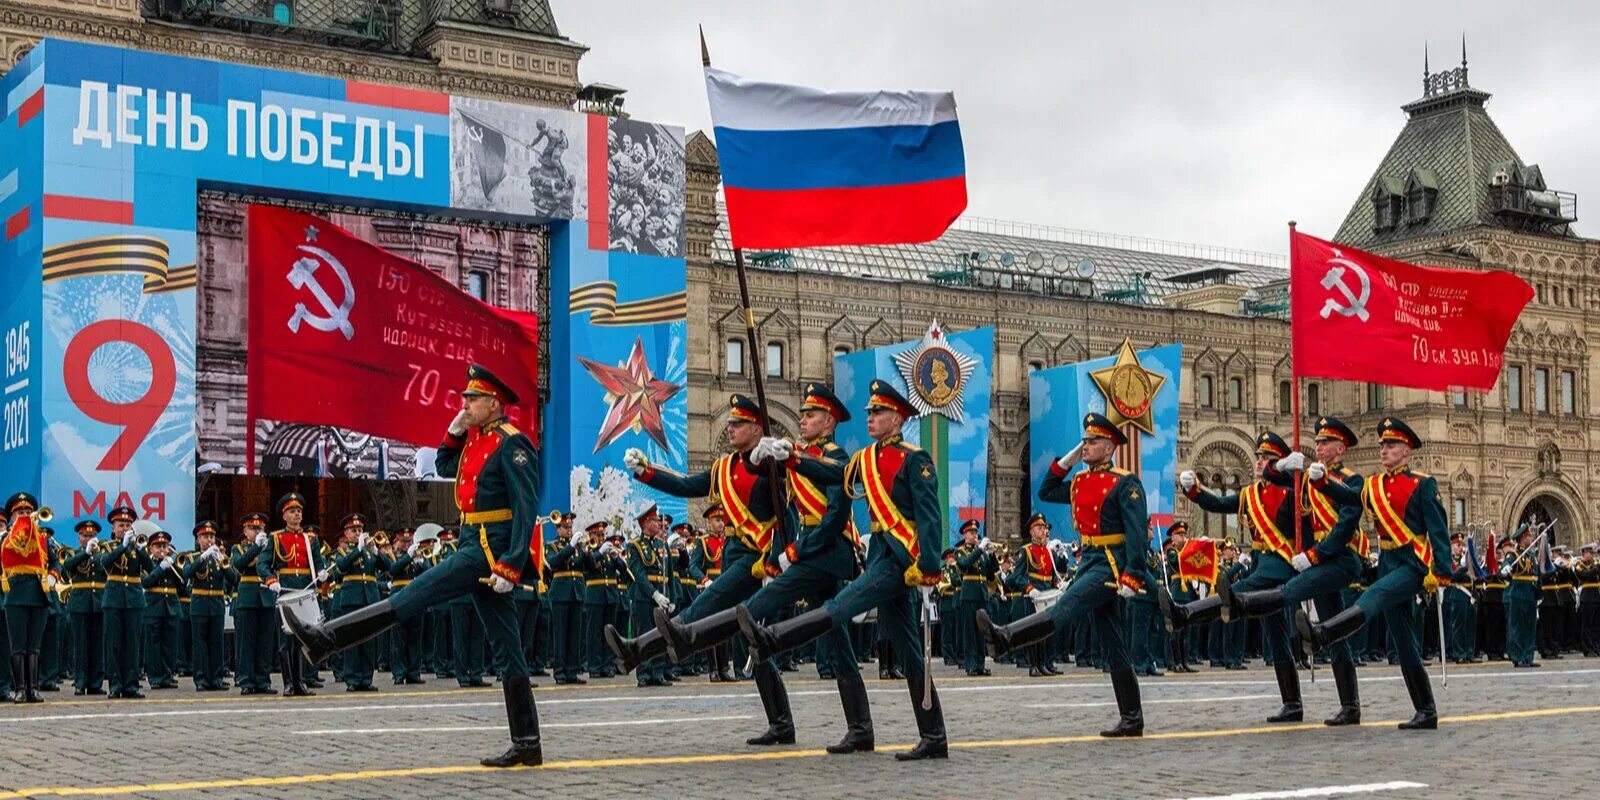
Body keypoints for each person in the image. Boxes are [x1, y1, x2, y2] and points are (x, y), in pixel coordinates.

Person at [284, 364, 543, 767]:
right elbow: (443, 467)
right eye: (464, 398)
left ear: (495, 403)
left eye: (472, 399)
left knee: (410, 596)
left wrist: (511, 564)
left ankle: (325, 639)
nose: (465, 403)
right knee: (508, 649)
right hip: (473, 544)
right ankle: (528, 743)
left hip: (485, 554)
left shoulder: (513, 444)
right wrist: (456, 431)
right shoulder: (477, 443)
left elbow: (527, 508)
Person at [651, 382, 875, 753]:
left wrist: (794, 552)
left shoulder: (837, 456)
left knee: (756, 608)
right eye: (801, 414)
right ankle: (852, 727)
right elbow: (764, 481)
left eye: (811, 415)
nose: (803, 420)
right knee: (838, 642)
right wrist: (768, 458)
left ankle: (691, 637)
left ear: (830, 422)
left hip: (828, 554)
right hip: (810, 554)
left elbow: (835, 515)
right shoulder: (797, 454)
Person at [738, 380, 948, 760]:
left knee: (840, 607)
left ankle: (773, 639)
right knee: (910, 652)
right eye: (869, 412)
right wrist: (791, 459)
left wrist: (930, 567)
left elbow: (931, 520)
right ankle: (929, 736)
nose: (871, 418)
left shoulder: (915, 459)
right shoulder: (864, 459)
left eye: (878, 412)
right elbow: (834, 475)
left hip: (901, 560)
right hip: (881, 554)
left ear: (897, 418)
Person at [605, 394, 790, 742]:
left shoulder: (769, 465)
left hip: (756, 561)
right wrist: (646, 471)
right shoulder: (722, 468)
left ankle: (638, 649)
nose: (730, 429)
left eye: (738, 424)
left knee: (701, 610)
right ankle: (782, 724)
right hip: (734, 553)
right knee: (753, 643)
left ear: (756, 428)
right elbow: (686, 486)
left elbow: (786, 513)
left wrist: (779, 558)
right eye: (730, 423)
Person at [976, 412, 1152, 738]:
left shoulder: (1124, 482)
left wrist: (1133, 574)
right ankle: (1132, 718)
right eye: (1084, 441)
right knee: (1113, 642)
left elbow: (1137, 532)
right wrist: (1068, 460)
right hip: (1089, 560)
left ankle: (1006, 638)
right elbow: (1046, 490)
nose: (1086, 446)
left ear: (1111, 445)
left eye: (1093, 441)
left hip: (1110, 565)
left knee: (1064, 608)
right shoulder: (1082, 481)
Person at [1295, 417, 1452, 730]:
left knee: (1374, 595)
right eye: (1381, 445)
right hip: (1389, 561)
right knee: (1404, 640)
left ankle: (1323, 633)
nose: (1383, 450)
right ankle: (1426, 710)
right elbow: (1351, 498)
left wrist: (1442, 571)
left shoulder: (1423, 484)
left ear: (1406, 451)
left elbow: (1439, 531)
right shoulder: (1374, 485)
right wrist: (1322, 483)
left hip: (1413, 563)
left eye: (1390, 445)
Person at [1162, 431, 1305, 722]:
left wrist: (1293, 473)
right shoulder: (1250, 494)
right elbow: (1217, 505)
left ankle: (1184, 614)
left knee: (1234, 593)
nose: (1258, 462)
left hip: (1280, 567)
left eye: (1266, 458)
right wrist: (1194, 491)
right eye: (1258, 457)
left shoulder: (1292, 491)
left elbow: (1308, 513)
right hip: (1262, 566)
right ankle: (1293, 704)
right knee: (1276, 638)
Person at [261, 492, 326, 697]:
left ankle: (301, 682)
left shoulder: (310, 539)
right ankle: (288, 682)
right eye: (292, 511)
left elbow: (317, 562)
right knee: (285, 639)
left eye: (299, 511)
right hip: (285, 590)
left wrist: (323, 572)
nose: (297, 514)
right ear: (284, 515)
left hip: (305, 590)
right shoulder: (276, 538)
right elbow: (263, 564)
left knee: (303, 638)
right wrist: (271, 580)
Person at [2, 493, 60, 703]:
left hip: (38, 594)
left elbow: (55, 562)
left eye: (28, 512)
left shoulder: (42, 539)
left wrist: (53, 576)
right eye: (20, 512)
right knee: (18, 645)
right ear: (12, 516)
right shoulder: (5, 539)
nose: (25, 515)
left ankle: (33, 689)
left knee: (34, 645)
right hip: (15, 595)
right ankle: (20, 688)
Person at [327, 513, 390, 692]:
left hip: (370, 598)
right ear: (346, 533)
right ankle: (352, 678)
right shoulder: (342, 551)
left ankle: (366, 678)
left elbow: (388, 567)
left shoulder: (370, 552)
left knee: (369, 640)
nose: (357, 533)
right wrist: (358, 549)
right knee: (352, 640)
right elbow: (339, 569)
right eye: (353, 530)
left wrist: (377, 551)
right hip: (351, 599)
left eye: (360, 529)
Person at [183, 521, 235, 691]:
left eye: (212, 536)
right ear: (198, 540)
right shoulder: (192, 557)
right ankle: (201, 679)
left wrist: (223, 562)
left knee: (216, 642)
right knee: (200, 643)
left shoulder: (220, 558)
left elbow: (234, 579)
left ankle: (217, 678)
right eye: (205, 537)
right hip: (199, 603)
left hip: (217, 604)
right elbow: (186, 574)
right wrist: (203, 557)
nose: (209, 540)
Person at [231, 512, 276, 695]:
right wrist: (256, 547)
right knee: (246, 643)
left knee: (265, 642)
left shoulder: (270, 547)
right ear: (245, 531)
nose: (256, 531)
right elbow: (238, 565)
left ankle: (262, 680)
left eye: (260, 528)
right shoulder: (238, 548)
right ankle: (246, 680)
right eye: (253, 528)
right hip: (247, 597)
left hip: (266, 596)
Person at [1013, 513, 1062, 677]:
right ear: (1032, 531)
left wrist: (1058, 584)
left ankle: (1045, 663)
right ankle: (1034, 665)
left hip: (1047, 595)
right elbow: (1016, 576)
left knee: (1047, 631)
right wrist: (1028, 588)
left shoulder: (1048, 551)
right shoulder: (1025, 551)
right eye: (1040, 528)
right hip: (1034, 596)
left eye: (1044, 528)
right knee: (1034, 632)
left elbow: (1053, 575)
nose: (1044, 531)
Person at [63, 520, 108, 695]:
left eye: (91, 535)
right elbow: (67, 567)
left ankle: (95, 683)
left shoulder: (103, 555)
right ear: (79, 537)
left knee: (97, 645)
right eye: (85, 535)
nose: (88, 538)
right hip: (80, 603)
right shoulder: (73, 554)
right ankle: (80, 683)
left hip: (98, 602)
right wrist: (86, 552)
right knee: (80, 645)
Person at [140, 531, 183, 690]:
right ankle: (155, 677)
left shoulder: (172, 564)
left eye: (164, 546)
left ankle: (168, 675)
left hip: (171, 606)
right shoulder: (147, 563)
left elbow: (183, 580)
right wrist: (160, 569)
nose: (162, 550)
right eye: (158, 546)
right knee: (154, 644)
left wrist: (173, 565)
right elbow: (146, 581)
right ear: (151, 548)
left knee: (170, 644)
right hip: (153, 606)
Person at [954, 521, 994, 677]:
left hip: (982, 595)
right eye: (971, 533)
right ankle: (970, 664)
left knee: (981, 632)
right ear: (965, 535)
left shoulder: (982, 553)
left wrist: (991, 556)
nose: (974, 535)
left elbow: (991, 574)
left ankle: (980, 664)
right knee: (969, 631)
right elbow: (964, 565)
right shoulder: (960, 551)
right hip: (969, 595)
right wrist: (979, 549)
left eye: (976, 533)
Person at [1504, 525, 1541, 668]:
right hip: (1518, 593)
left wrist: (1539, 592)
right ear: (1522, 539)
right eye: (1528, 537)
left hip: (1530, 594)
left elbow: (1537, 575)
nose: (1530, 539)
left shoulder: (1531, 556)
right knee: (1517, 627)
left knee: (1530, 627)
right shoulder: (1513, 554)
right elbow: (1507, 564)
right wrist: (1505, 568)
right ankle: (1517, 656)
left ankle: (1528, 656)